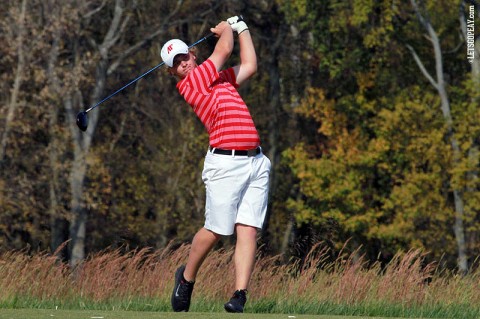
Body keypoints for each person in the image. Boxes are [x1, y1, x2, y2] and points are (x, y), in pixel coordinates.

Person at [160, 16, 271, 313]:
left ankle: (239, 295)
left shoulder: (220, 80)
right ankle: (186, 277)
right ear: (173, 72)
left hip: (256, 162)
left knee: (247, 229)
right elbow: (222, 51)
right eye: (177, 62)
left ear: (192, 54)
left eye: (185, 55)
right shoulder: (192, 84)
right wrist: (226, 30)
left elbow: (249, 65)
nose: (183, 62)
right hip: (225, 163)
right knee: (217, 230)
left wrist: (243, 27)